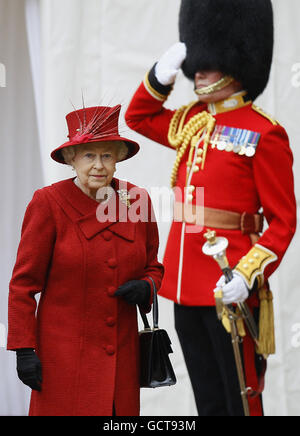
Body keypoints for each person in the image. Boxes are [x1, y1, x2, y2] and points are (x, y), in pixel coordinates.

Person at [125, 0, 297, 416]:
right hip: (184, 285)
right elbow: (138, 116)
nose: (197, 70)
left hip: (229, 285)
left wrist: (247, 272)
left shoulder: (264, 132)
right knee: (207, 398)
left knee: (241, 396)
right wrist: (157, 78)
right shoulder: (193, 120)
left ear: (234, 63)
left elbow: (284, 220)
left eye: (208, 62)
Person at [7, 104, 164, 416]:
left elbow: (153, 266)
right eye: (89, 155)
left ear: (118, 160)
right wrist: (24, 349)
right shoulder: (48, 203)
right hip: (63, 360)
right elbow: (23, 285)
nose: (98, 165)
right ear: (71, 159)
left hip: (122, 359)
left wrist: (147, 287)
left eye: (107, 155)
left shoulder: (136, 200)